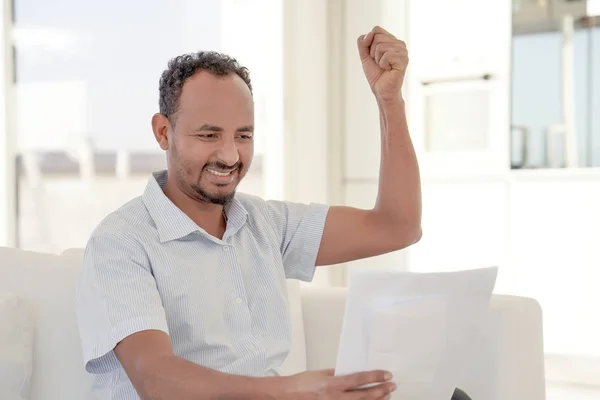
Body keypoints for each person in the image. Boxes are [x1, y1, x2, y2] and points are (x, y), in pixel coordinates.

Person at [75, 25, 421, 400]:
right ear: (163, 132)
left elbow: (397, 227)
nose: (229, 155)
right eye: (209, 135)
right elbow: (157, 382)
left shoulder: (267, 225)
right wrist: (289, 390)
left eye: (243, 135)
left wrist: (390, 101)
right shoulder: (121, 241)